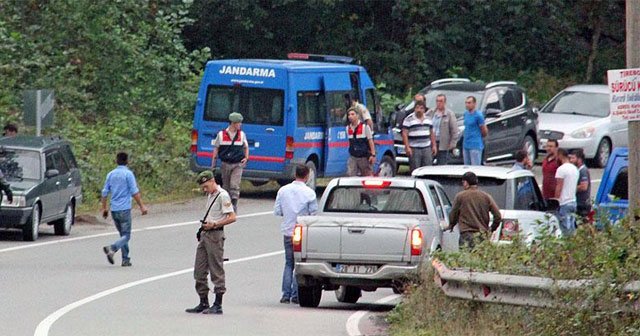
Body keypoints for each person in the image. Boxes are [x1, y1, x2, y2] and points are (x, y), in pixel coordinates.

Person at [186, 170, 236, 315]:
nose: (204, 189)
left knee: (216, 270)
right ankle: (203, 301)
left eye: (206, 186)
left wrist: (215, 224)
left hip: (215, 234)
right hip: (205, 234)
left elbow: (232, 217)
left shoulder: (223, 195)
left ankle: (218, 303)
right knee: (199, 270)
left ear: (212, 181)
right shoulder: (210, 195)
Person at [273, 164, 318, 304]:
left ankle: (285, 294)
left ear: (295, 174)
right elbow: (314, 213)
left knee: (288, 263)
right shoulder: (310, 193)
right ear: (307, 176)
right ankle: (295, 294)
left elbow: (278, 211)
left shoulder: (283, 190)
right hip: (302, 232)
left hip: (287, 231)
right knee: (299, 263)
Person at [101, 152, 148, 267]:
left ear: (116, 161)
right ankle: (112, 248)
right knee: (126, 235)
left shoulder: (110, 174)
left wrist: (104, 208)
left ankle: (125, 259)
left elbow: (104, 192)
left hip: (114, 209)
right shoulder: (128, 174)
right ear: (127, 161)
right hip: (124, 209)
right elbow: (134, 192)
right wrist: (142, 206)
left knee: (123, 235)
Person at [446, 171, 502, 249]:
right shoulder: (486, 196)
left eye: (463, 182)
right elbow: (498, 216)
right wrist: (491, 229)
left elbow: (453, 214)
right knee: (479, 259)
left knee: (466, 259)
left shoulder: (460, 196)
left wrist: (451, 224)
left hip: (466, 235)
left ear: (466, 183)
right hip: (482, 235)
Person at [211, 112, 249, 212]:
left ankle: (234, 205)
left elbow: (246, 147)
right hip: (225, 163)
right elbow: (216, 148)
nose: (240, 125)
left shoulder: (241, 134)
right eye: (239, 123)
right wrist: (213, 165)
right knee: (226, 186)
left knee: (234, 185)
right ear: (233, 123)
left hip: (237, 164)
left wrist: (246, 157)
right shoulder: (221, 134)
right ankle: (226, 206)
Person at [402, 100, 437, 173]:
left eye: (421, 108)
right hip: (414, 148)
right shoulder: (409, 119)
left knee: (428, 169)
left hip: (426, 148)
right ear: (414, 109)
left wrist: (434, 145)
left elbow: (431, 132)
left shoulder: (428, 119)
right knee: (415, 169)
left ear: (424, 110)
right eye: (417, 108)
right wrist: (407, 147)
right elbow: (404, 133)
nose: (419, 110)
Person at [427, 94, 458, 165]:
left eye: (441, 101)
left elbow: (454, 130)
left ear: (445, 102)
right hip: (431, 142)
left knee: (441, 164)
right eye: (437, 101)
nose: (439, 103)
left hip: (443, 144)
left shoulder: (449, 114)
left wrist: (452, 144)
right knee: (428, 163)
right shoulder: (431, 112)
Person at [554, 148, 579, 236]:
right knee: (572, 226)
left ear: (560, 155)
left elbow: (559, 186)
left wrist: (556, 199)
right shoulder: (575, 169)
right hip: (573, 201)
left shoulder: (561, 169)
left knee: (564, 228)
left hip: (564, 202)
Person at [346, 108, 376, 176]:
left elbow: (370, 141)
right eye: (349, 115)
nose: (350, 116)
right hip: (353, 156)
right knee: (350, 175)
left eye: (352, 114)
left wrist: (373, 154)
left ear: (357, 116)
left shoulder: (364, 127)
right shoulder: (348, 128)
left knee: (367, 176)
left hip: (364, 157)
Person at [462, 96, 488, 166]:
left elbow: (484, 130)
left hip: (475, 145)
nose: (467, 105)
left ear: (474, 104)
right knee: (466, 166)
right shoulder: (466, 114)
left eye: (469, 103)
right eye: (466, 103)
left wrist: (478, 136)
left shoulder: (478, 115)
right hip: (466, 144)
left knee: (475, 167)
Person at [569, 149, 592, 221]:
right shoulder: (577, 170)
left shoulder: (583, 171)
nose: (571, 160)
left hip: (582, 204)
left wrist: (571, 189)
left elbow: (584, 186)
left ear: (579, 159)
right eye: (570, 158)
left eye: (573, 158)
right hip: (578, 203)